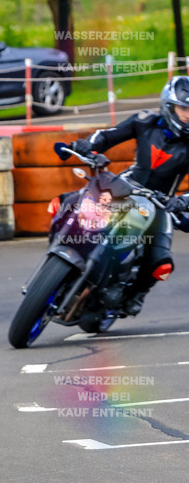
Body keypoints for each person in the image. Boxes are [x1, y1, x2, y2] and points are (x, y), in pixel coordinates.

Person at [67, 75, 189, 315]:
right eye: (183, 108)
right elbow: (106, 135)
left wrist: (182, 200)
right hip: (123, 186)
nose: (187, 114)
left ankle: (137, 293)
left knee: (161, 263)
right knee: (72, 201)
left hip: (161, 204)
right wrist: (88, 146)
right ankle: (62, 248)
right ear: (169, 105)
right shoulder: (144, 121)